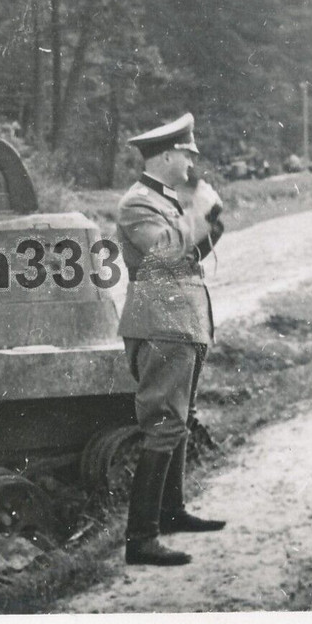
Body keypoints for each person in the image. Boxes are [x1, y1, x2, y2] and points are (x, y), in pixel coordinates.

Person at [116, 112, 226, 566]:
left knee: (179, 418)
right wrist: (197, 214)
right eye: (185, 154)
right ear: (164, 155)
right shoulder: (136, 203)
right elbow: (164, 253)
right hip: (162, 324)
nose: (190, 163)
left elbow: (189, 255)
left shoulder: (165, 199)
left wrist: (211, 224)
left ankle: (172, 512)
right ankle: (141, 539)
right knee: (163, 423)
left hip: (181, 320)